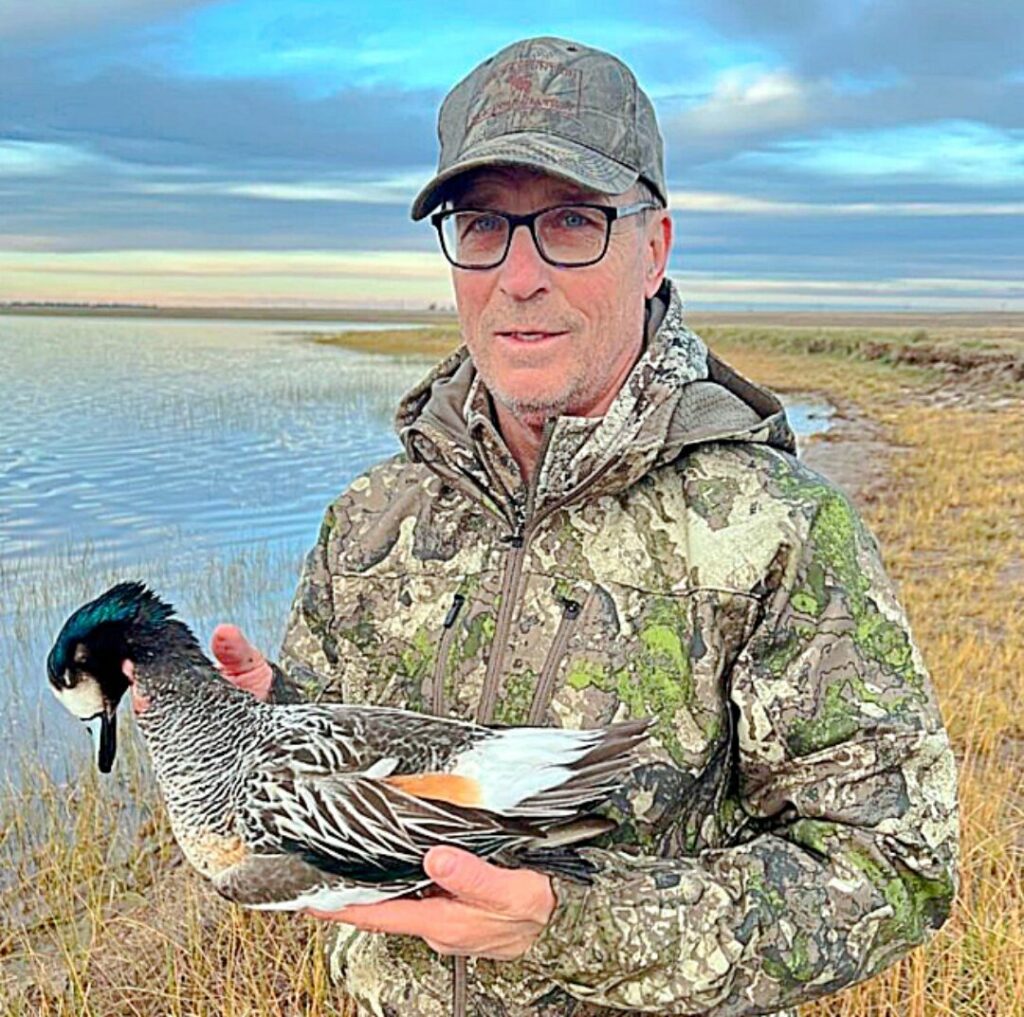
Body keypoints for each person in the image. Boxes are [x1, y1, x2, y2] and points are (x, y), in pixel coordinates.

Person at [212, 36, 959, 1017]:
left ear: (654, 246)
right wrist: (269, 727)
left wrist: (568, 921)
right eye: (481, 225)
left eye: (570, 221)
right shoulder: (368, 519)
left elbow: (890, 865)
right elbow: (348, 790)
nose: (519, 276)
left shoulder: (775, 529)